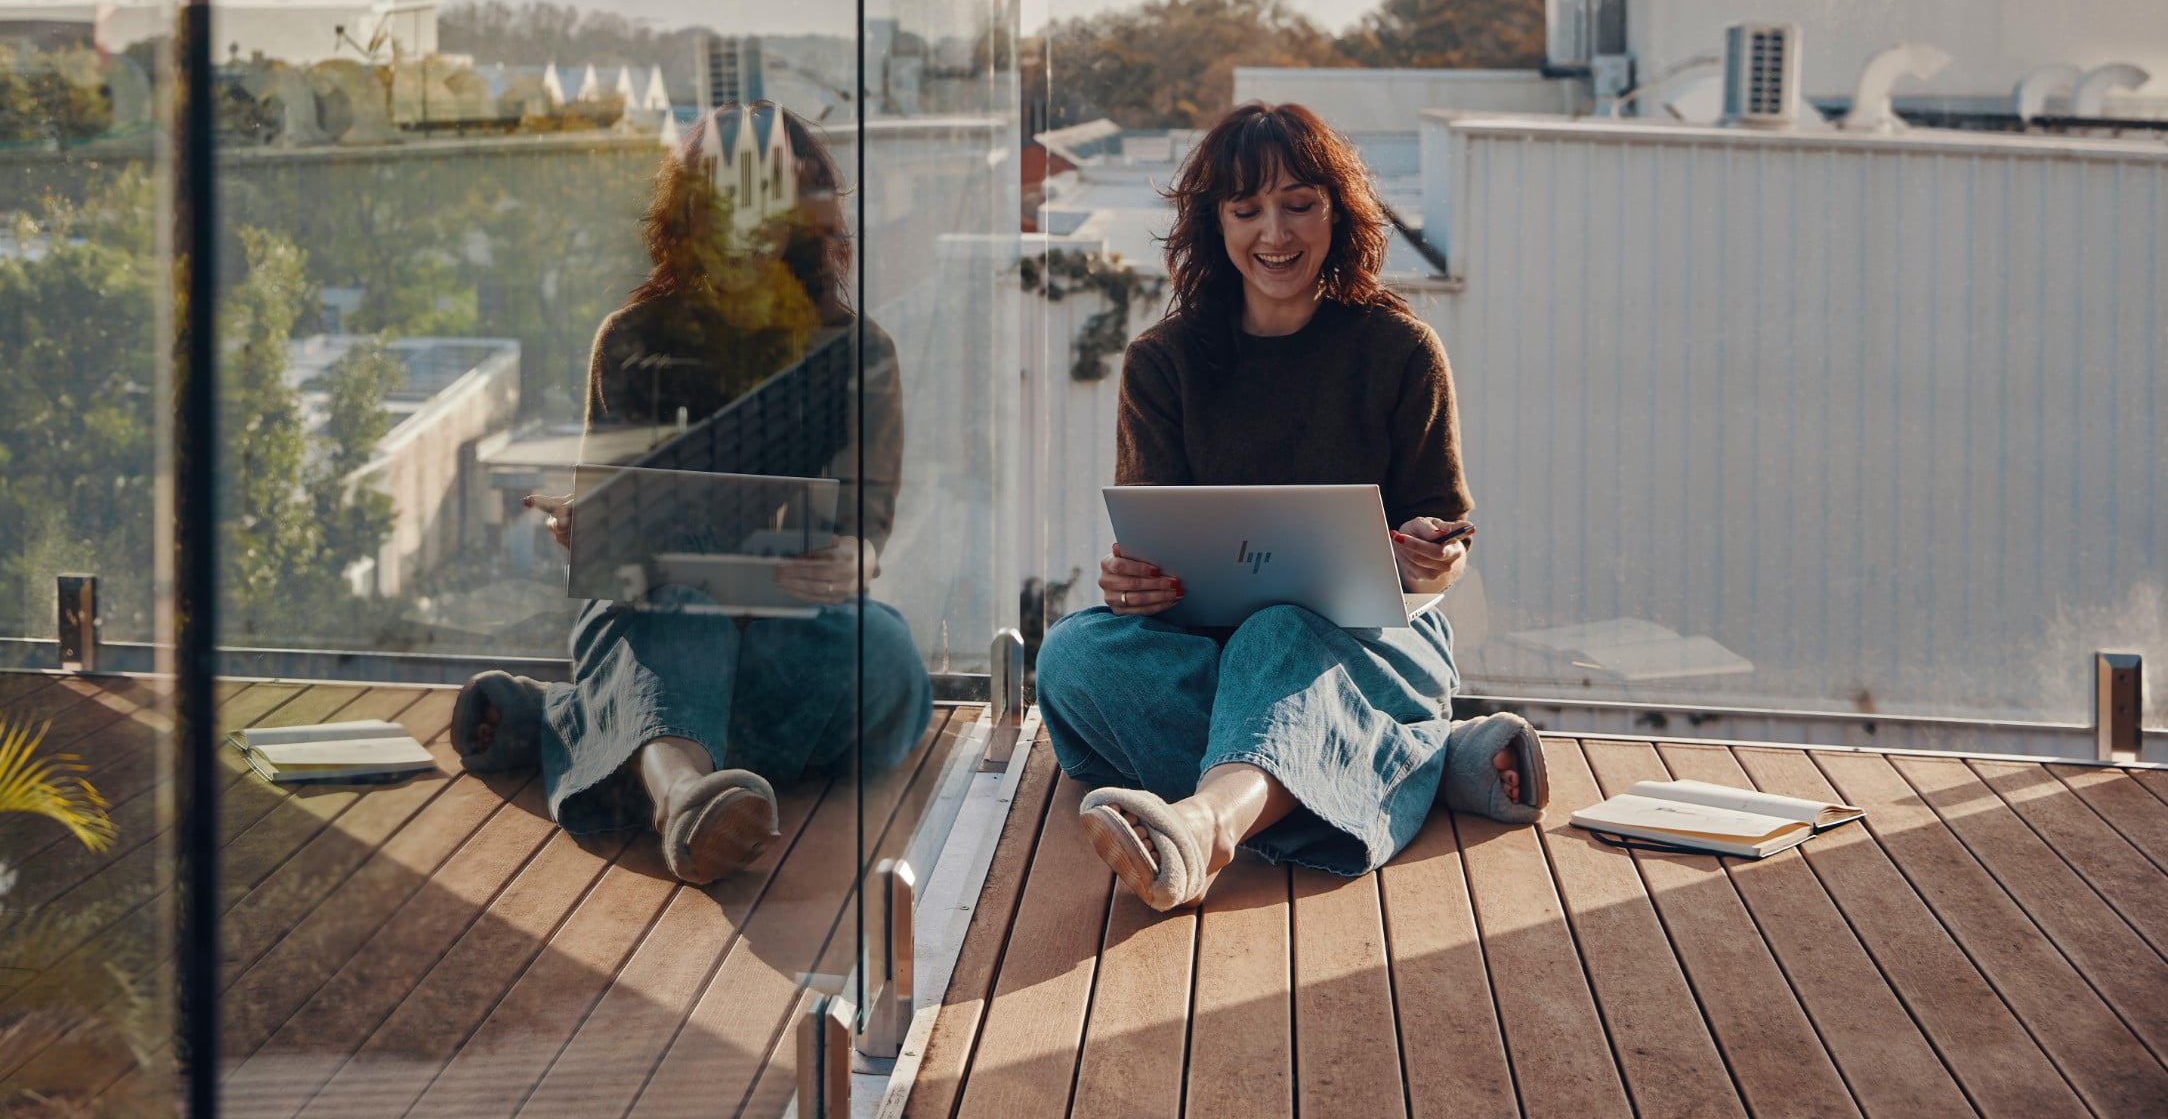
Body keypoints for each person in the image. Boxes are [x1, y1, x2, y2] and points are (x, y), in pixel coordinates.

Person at [1034, 102, 1548, 912]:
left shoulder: (1401, 350)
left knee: (1277, 633)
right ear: (1216, 224)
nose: (1275, 232)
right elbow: (1160, 549)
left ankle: (1201, 829)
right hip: (1207, 647)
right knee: (1072, 658)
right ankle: (1412, 762)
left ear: (1336, 212)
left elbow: (1442, 538)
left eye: (1299, 204)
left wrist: (1433, 555)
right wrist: (1133, 587)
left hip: (1374, 649)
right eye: (1247, 210)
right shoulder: (1161, 364)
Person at [450, 102, 931, 884]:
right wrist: (589, 529)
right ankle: (682, 801)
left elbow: (867, 518)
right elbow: (612, 529)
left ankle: (572, 721)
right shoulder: (631, 339)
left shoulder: (858, 351)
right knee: (683, 610)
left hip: (793, 619)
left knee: (887, 663)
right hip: (661, 608)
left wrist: (858, 558)